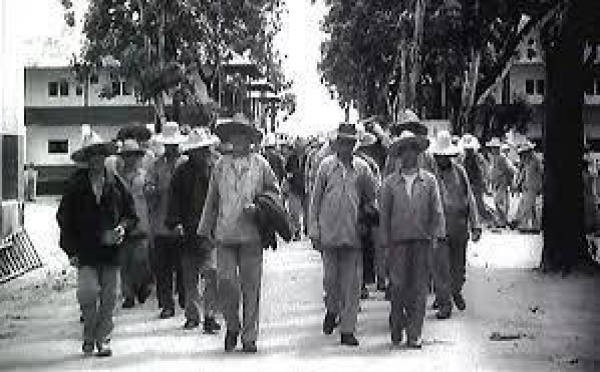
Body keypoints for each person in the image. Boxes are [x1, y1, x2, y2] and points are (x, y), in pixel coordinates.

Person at [198, 113, 279, 353]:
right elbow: (211, 199)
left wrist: (259, 207)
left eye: (242, 134)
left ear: (249, 138)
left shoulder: (261, 164)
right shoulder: (220, 166)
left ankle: (249, 336)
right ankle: (232, 324)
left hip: (252, 234)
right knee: (225, 283)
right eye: (234, 134)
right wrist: (204, 231)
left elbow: (274, 194)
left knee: (251, 287)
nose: (238, 139)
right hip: (224, 234)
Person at [57, 130, 138, 357]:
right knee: (88, 293)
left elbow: (130, 215)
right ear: (86, 158)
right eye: (92, 155)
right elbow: (64, 218)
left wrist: (122, 228)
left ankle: (102, 339)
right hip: (86, 252)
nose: (96, 159)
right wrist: (70, 250)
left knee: (110, 298)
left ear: (105, 157)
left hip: (112, 251)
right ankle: (89, 334)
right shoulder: (75, 186)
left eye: (100, 154)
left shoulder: (115, 183)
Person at [309, 123, 378, 347]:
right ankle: (332, 309)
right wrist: (314, 229)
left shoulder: (363, 169)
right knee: (330, 281)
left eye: (350, 142)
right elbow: (315, 200)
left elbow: (371, 197)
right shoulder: (326, 168)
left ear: (354, 144)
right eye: (342, 142)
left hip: (354, 233)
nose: (346, 146)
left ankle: (348, 329)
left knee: (352, 284)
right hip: (329, 233)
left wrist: (369, 219)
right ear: (336, 143)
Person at [379, 130, 445, 348]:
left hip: (422, 241)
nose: (410, 154)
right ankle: (397, 322)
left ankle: (415, 333)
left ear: (418, 153)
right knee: (398, 287)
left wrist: (437, 237)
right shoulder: (389, 184)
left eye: (413, 149)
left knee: (419, 289)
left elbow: (437, 211)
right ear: (399, 154)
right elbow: (385, 216)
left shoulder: (429, 181)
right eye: (405, 150)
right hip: (397, 243)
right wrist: (385, 244)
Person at [430, 131, 482, 318]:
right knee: (440, 267)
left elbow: (470, 198)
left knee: (458, 267)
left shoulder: (460, 171)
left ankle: (456, 290)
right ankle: (444, 303)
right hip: (438, 228)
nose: (442, 159)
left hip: (459, 225)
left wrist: (475, 224)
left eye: (445, 156)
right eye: (439, 156)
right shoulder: (430, 174)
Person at [146, 121, 188, 319]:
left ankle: (185, 297)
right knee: (163, 268)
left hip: (182, 224)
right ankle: (167, 304)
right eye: (168, 145)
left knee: (183, 265)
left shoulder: (186, 163)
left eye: (174, 145)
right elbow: (148, 188)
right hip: (161, 224)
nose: (171, 148)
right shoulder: (156, 165)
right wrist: (154, 190)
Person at [116, 139, 153, 309]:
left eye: (133, 155)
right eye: (127, 155)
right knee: (124, 262)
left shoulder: (145, 176)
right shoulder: (116, 178)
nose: (130, 158)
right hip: (123, 222)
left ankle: (143, 286)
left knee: (141, 261)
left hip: (142, 223)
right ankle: (128, 295)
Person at [458, 134, 494, 225]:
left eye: (469, 149)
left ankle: (491, 219)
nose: (468, 150)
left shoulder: (478, 158)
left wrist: (486, 186)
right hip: (466, 184)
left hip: (476, 184)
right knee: (468, 204)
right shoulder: (462, 158)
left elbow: (483, 172)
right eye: (466, 149)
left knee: (479, 204)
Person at [511, 141, 543, 232]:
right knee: (531, 208)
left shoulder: (536, 160)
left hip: (533, 187)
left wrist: (540, 186)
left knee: (527, 206)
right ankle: (536, 226)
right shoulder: (526, 162)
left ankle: (523, 225)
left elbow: (541, 173)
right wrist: (518, 185)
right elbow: (522, 174)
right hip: (526, 186)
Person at [487, 137, 516, 228]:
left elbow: (510, 170)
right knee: (499, 202)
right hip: (496, 183)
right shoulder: (494, 157)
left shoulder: (502, 157)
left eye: (494, 147)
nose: (493, 149)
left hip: (502, 182)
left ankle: (504, 221)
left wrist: (509, 182)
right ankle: (502, 221)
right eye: (492, 147)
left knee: (498, 201)